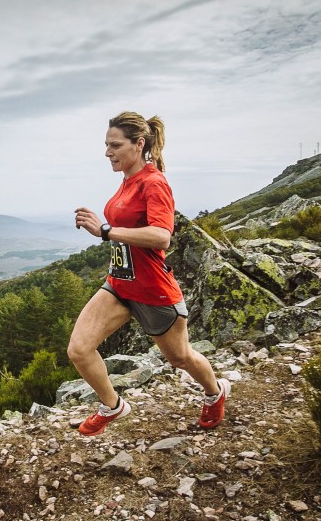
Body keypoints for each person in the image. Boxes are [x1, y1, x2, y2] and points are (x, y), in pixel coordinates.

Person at [69, 111, 229, 436]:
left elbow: (161, 236)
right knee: (79, 349)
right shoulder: (127, 180)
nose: (107, 152)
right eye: (106, 145)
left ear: (139, 143)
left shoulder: (155, 183)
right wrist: (101, 225)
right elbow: (123, 227)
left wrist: (105, 230)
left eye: (115, 145)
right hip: (119, 285)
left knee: (181, 358)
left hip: (154, 291)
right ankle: (112, 406)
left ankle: (215, 392)